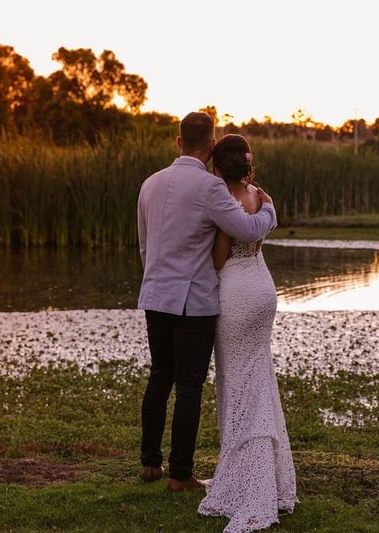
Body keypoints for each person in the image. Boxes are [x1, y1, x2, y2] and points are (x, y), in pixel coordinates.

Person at [137, 113, 277, 492]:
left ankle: (150, 463)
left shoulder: (149, 184)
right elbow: (247, 229)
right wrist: (268, 209)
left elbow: (145, 247)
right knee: (189, 387)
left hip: (155, 295)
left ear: (178, 141)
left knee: (159, 377)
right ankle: (181, 474)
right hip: (194, 301)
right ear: (211, 145)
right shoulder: (211, 188)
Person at [197, 134, 297, 531]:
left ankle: (248, 483)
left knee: (238, 384)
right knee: (260, 380)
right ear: (247, 163)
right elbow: (265, 220)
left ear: (219, 165)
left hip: (237, 293)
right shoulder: (260, 197)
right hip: (264, 289)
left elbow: (220, 257)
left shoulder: (225, 202)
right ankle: (273, 480)